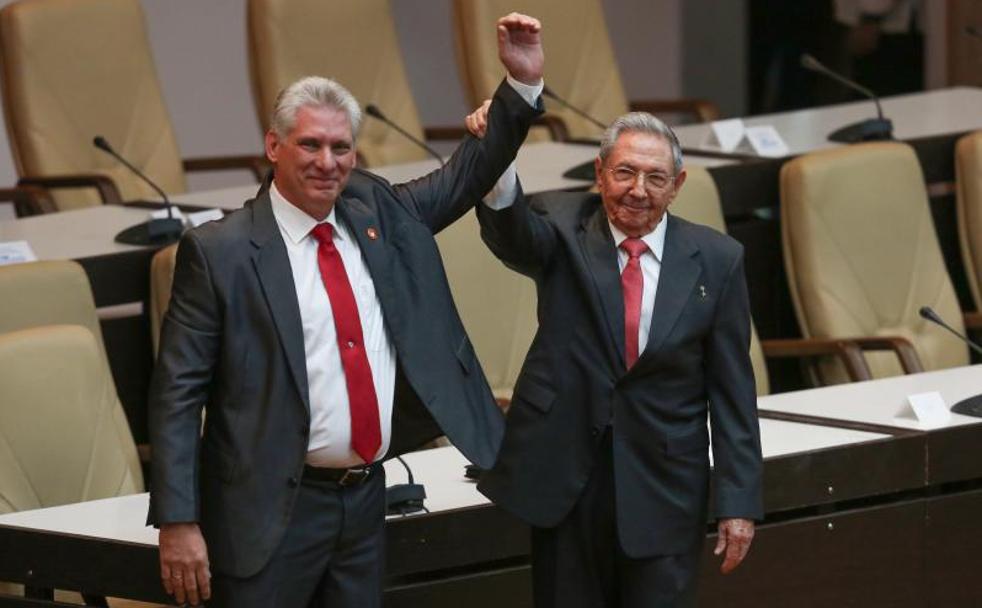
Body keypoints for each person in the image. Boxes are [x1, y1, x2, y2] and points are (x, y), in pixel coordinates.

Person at [147, 13, 544, 607]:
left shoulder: (377, 211)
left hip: (362, 503)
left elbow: (464, 178)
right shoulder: (220, 252)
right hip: (268, 512)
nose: (326, 162)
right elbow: (178, 393)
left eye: (340, 148)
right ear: (274, 146)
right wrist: (178, 520)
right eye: (309, 144)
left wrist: (520, 88)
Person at [466, 109, 763, 607]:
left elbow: (732, 391)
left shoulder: (717, 258)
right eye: (624, 172)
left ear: (678, 184)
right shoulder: (562, 228)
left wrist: (739, 503)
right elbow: (511, 232)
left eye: (655, 177)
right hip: (568, 483)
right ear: (600, 173)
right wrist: (495, 153)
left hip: (665, 486)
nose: (638, 190)